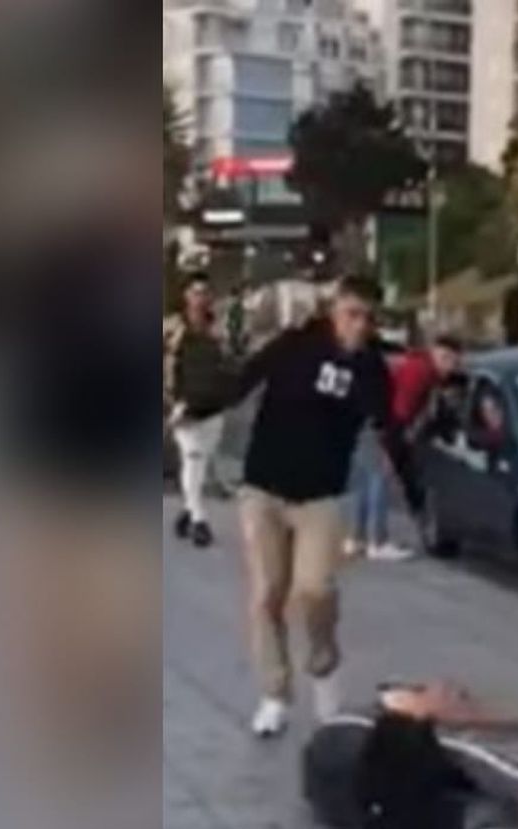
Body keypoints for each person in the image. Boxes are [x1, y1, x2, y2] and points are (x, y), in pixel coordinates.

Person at [230, 276, 394, 738]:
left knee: (315, 588)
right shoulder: (294, 346)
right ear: (333, 311)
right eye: (351, 315)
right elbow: (242, 380)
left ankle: (324, 666)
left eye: (367, 318)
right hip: (262, 488)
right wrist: (196, 406)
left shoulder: (371, 369)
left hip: (320, 496)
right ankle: (274, 693)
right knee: (268, 594)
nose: (358, 327)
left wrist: (414, 486)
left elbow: (388, 425)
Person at [345, 334, 464, 561]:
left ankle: (357, 539)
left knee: (366, 480)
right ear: (441, 356)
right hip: (379, 425)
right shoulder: (420, 372)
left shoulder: (418, 366)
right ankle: (377, 541)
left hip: (364, 421)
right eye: (452, 362)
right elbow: (399, 412)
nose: (452, 368)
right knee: (379, 477)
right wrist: (393, 446)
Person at [163, 272, 233, 549]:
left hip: (213, 406)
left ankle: (188, 509)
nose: (200, 298)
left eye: (205, 292)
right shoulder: (171, 328)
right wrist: (170, 402)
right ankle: (199, 521)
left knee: (202, 462)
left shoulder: (219, 330)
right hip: (183, 405)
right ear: (186, 296)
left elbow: (230, 365)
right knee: (193, 458)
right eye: (195, 292)